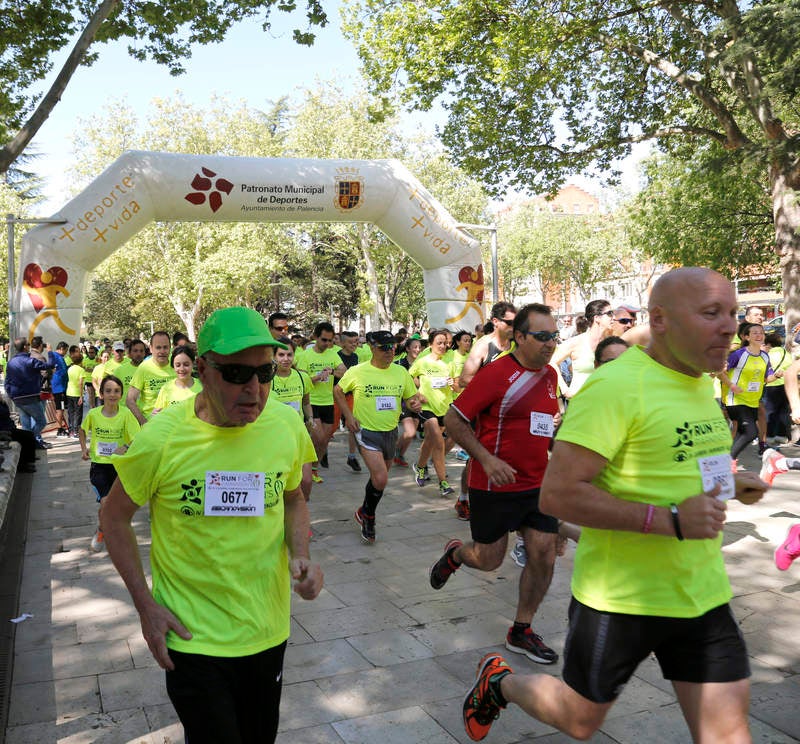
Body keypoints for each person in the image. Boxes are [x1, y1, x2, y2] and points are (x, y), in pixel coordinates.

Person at [461, 267, 768, 743]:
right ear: (661, 319)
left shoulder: (703, 384)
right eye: (711, 313)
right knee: (580, 721)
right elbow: (558, 494)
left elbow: (684, 466)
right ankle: (501, 682)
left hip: (701, 595)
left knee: (729, 736)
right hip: (621, 600)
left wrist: (732, 482)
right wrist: (668, 520)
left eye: (732, 312)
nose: (731, 325)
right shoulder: (616, 387)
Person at [101, 306, 322, 744]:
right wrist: (145, 605)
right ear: (202, 369)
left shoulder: (284, 423)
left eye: (264, 374)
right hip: (193, 639)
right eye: (237, 373)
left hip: (267, 630)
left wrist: (301, 555)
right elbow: (113, 516)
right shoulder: (161, 439)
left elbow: (294, 497)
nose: (255, 390)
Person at [430, 303, 561, 667]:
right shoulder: (497, 373)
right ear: (519, 337)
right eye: (542, 336)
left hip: (536, 485)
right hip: (493, 485)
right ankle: (458, 553)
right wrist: (486, 459)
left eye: (554, 336)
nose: (550, 344)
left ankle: (522, 628)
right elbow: (454, 420)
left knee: (544, 554)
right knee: (489, 560)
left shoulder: (550, 376)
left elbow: (546, 428)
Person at [334, 330, 421, 543]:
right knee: (381, 478)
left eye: (392, 347)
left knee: (377, 480)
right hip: (366, 432)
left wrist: (414, 403)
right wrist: (348, 416)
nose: (389, 351)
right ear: (372, 348)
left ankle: (363, 510)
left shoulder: (400, 372)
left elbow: (410, 398)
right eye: (384, 348)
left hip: (390, 432)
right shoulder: (358, 371)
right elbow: (338, 391)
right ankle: (370, 517)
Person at [79, 375, 140, 552]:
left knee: (116, 506)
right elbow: (82, 430)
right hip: (99, 466)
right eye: (108, 391)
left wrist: (126, 446)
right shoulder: (93, 414)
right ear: (101, 394)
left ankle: (104, 528)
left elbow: (138, 438)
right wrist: (84, 449)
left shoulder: (126, 414)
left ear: (121, 394)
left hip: (120, 467)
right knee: (106, 503)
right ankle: (104, 532)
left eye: (116, 391)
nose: (112, 394)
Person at [409, 329, 457, 497]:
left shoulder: (449, 362)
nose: (443, 346)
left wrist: (453, 383)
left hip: (444, 407)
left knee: (430, 440)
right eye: (439, 343)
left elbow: (457, 385)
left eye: (445, 343)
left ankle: (420, 467)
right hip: (426, 408)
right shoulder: (423, 361)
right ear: (430, 344)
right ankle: (443, 482)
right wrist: (417, 393)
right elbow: (409, 377)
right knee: (437, 441)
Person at [296, 322, 346, 483]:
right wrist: (317, 377)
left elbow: (343, 370)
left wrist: (331, 371)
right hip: (311, 403)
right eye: (324, 340)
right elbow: (301, 380)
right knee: (317, 437)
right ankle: (305, 467)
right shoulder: (305, 356)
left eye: (330, 340)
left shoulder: (332, 354)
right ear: (316, 337)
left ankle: (314, 469)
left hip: (328, 402)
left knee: (325, 439)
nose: (327, 344)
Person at [270, 338, 315, 500]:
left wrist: (310, 418)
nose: (286, 359)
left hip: (299, 435)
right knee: (282, 485)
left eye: (289, 354)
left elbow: (306, 403)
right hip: (276, 439)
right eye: (281, 355)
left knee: (307, 481)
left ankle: (301, 514)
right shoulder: (267, 380)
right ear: (274, 356)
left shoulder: (302, 377)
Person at [724, 322, 775, 461]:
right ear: (747, 337)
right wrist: (731, 385)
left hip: (753, 401)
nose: (759, 335)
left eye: (761, 333)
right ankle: (728, 462)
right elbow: (719, 371)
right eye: (755, 333)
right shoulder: (739, 354)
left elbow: (767, 378)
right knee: (751, 432)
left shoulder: (765, 356)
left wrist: (777, 375)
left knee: (742, 433)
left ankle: (720, 462)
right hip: (736, 399)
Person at [551, 299, 616, 398]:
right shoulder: (576, 342)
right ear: (597, 318)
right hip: (579, 402)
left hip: (605, 402)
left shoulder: (612, 343)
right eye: (610, 313)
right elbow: (552, 362)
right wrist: (565, 390)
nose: (613, 318)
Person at [4, 338, 55, 449]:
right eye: (28, 344)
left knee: (26, 424)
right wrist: (50, 351)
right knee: (41, 422)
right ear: (25, 347)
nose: (30, 346)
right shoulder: (30, 361)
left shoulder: (11, 362)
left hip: (17, 398)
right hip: (30, 397)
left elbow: (7, 381)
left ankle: (28, 446)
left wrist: (11, 395)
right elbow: (50, 365)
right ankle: (28, 439)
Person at [127, 331, 176, 424]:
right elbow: (130, 400)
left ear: (170, 347)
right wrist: (144, 422)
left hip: (174, 423)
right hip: (152, 423)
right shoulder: (144, 368)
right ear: (151, 349)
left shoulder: (176, 364)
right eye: (158, 347)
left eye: (165, 347)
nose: (162, 351)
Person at [394, 336, 423, 468]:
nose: (418, 349)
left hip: (418, 401)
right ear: (407, 349)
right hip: (403, 401)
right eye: (415, 347)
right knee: (410, 431)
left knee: (412, 431)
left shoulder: (423, 364)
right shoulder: (399, 364)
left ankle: (398, 453)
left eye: (419, 347)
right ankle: (395, 452)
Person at [151, 346, 202, 414]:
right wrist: (155, 415)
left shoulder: (203, 387)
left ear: (192, 364)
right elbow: (157, 415)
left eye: (186, 365)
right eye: (178, 365)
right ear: (173, 366)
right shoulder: (166, 388)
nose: (182, 369)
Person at [49, 341, 70, 437]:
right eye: (66, 350)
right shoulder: (54, 356)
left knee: (61, 408)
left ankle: (61, 427)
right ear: (61, 348)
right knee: (60, 409)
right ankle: (59, 429)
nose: (66, 352)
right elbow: (53, 369)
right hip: (58, 388)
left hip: (62, 386)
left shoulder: (60, 357)